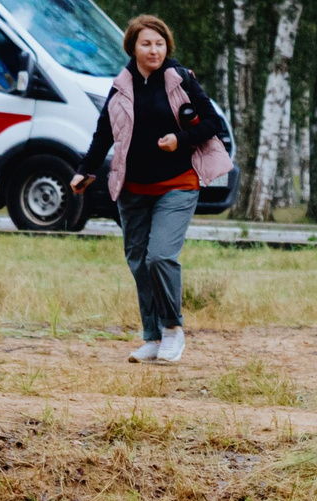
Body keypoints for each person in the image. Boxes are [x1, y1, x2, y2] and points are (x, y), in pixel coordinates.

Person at [70, 15, 230, 367]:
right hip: (132, 189)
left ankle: (173, 329)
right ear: (132, 48)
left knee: (160, 256)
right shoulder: (121, 85)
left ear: (166, 47)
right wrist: (84, 170)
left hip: (178, 185)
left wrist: (181, 140)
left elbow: (213, 123)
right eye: (146, 44)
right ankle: (152, 337)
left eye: (159, 43)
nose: (154, 50)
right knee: (140, 262)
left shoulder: (180, 79)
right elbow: (104, 133)